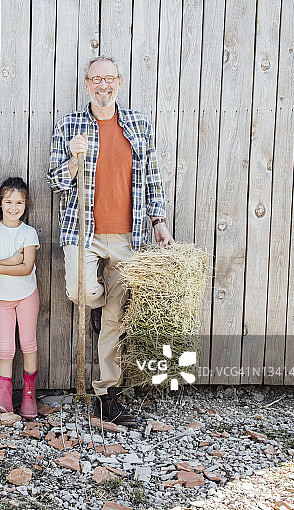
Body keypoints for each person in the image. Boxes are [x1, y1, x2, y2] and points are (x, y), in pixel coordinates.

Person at [46, 56, 174, 427]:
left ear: (119, 81)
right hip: (82, 231)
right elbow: (55, 181)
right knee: (81, 292)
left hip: (127, 234)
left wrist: (159, 222)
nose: (103, 85)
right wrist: (74, 160)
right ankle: (100, 300)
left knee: (115, 319)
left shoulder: (138, 124)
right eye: (96, 79)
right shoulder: (70, 125)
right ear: (86, 84)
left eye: (109, 78)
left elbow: (152, 178)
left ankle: (107, 393)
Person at [0, 177, 40, 419]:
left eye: (19, 203)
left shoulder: (28, 233)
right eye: (8, 202)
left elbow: (27, 268)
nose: (13, 208)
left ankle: (28, 396)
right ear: (0, 203)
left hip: (26, 296)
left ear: (25, 205)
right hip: (2, 298)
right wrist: (12, 260)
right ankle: (3, 398)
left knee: (28, 344)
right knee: (5, 349)